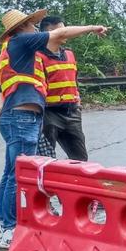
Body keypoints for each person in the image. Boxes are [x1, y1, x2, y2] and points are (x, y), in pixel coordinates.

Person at [0, 9, 108, 249]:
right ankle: (11, 228)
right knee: (18, 176)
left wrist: (1, 108)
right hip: (24, 118)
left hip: (22, 115)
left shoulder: (11, 52)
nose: (35, 28)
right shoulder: (22, 41)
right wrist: (92, 27)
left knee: (10, 174)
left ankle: (5, 226)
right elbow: (59, 33)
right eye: (32, 24)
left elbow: (5, 86)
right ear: (21, 28)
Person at [37, 16, 89, 161]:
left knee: (80, 159)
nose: (67, 32)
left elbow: (74, 80)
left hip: (72, 113)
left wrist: (77, 100)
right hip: (49, 114)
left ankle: (76, 184)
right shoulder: (37, 56)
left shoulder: (69, 54)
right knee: (45, 159)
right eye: (63, 29)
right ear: (51, 32)